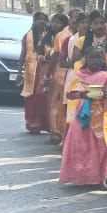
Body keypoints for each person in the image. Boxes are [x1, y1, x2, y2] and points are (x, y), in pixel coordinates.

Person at [58, 47, 107, 188]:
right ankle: (82, 176)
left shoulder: (106, 76)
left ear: (103, 60)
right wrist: (83, 94)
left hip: (102, 114)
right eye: (92, 57)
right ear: (86, 59)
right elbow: (69, 94)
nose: (95, 60)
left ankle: (100, 179)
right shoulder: (79, 75)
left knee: (102, 146)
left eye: (98, 57)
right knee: (81, 145)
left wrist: (102, 95)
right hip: (83, 115)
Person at [19, 12, 52, 134]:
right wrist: (19, 72)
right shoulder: (27, 36)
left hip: (44, 68)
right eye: (39, 19)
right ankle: (32, 123)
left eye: (44, 19)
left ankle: (46, 124)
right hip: (31, 70)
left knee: (43, 96)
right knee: (31, 97)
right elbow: (23, 53)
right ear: (34, 21)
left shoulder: (51, 36)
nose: (42, 21)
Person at [45, 13, 72, 145]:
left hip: (74, 75)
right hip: (61, 74)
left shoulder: (86, 36)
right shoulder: (60, 36)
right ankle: (56, 132)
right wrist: (47, 74)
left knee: (65, 105)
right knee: (57, 104)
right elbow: (56, 56)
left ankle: (63, 132)